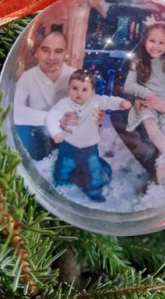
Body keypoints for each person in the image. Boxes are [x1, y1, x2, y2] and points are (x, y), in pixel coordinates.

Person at [46, 69, 131, 202]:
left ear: (92, 91)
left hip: (90, 147)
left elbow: (110, 101)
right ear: (68, 89)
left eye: (84, 89)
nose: (79, 93)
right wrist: (56, 133)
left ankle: (94, 191)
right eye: (75, 88)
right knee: (63, 165)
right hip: (69, 145)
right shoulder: (64, 103)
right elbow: (51, 117)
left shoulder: (96, 101)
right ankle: (59, 184)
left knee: (93, 169)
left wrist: (121, 103)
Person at [123, 21, 165, 185]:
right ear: (145, 40)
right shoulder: (137, 61)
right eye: (152, 41)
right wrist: (147, 94)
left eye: (161, 42)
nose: (156, 46)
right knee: (147, 119)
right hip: (148, 102)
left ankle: (161, 180)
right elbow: (128, 85)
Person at [13, 31, 77, 161]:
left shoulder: (75, 76)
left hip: (68, 137)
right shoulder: (27, 77)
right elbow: (15, 111)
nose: (51, 57)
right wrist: (57, 118)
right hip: (37, 136)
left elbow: (90, 111)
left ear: (66, 54)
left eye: (58, 51)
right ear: (36, 52)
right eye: (45, 50)